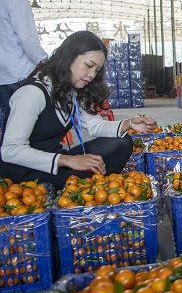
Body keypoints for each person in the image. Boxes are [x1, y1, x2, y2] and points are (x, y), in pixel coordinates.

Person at [0, 31, 156, 187]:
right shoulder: (32, 93)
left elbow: (95, 125)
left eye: (97, 70)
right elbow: (10, 150)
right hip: (26, 171)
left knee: (121, 143)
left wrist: (129, 123)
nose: (92, 75)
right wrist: (68, 160)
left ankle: (85, 182)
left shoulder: (71, 90)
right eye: (88, 66)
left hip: (57, 159)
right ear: (68, 57)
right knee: (83, 180)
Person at [0, 0, 48, 126]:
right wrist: (43, 62)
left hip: (2, 78)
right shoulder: (16, 0)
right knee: (24, 121)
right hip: (18, 74)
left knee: (7, 120)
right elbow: (27, 39)